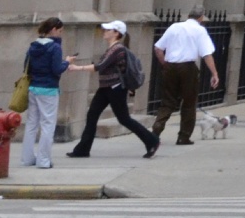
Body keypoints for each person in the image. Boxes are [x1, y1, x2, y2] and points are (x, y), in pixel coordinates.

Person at [64, 20, 157, 159]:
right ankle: (83, 149)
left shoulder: (117, 49)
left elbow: (100, 66)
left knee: (124, 119)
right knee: (92, 115)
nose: (104, 32)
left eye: (108, 30)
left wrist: (77, 68)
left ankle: (152, 141)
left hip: (115, 88)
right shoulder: (112, 49)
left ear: (116, 33)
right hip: (106, 88)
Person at [152, 8, 220, 146]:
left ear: (188, 16)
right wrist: (214, 73)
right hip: (188, 67)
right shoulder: (200, 30)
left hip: (171, 65)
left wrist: (165, 64)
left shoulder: (174, 27)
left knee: (167, 101)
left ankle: (156, 130)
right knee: (189, 102)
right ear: (201, 18)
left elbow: (158, 48)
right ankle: (184, 136)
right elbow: (206, 54)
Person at [20, 17, 70, 169]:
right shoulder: (55, 48)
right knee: (48, 125)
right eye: (60, 31)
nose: (61, 34)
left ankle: (27, 158)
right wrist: (67, 62)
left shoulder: (33, 46)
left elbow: (26, 67)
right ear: (54, 29)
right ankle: (43, 160)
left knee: (31, 124)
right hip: (48, 89)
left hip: (33, 87)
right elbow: (57, 69)